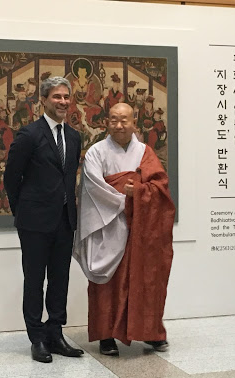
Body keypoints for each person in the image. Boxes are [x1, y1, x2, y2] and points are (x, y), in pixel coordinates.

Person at [73, 103, 175, 356]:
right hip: (106, 225)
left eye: (125, 121)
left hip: (141, 227)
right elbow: (93, 189)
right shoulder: (96, 152)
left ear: (134, 123)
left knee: (145, 281)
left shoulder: (144, 152)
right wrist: (127, 199)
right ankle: (106, 335)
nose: (119, 125)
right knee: (107, 285)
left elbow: (160, 187)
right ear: (106, 122)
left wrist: (139, 193)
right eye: (114, 120)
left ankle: (149, 333)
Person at [4, 76, 83, 364]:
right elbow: (11, 178)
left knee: (60, 279)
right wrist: (22, 211)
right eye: (56, 97)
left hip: (64, 221)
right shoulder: (29, 135)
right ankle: (36, 338)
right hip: (34, 222)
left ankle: (55, 333)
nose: (62, 102)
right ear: (44, 100)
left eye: (66, 97)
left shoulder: (74, 137)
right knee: (35, 280)